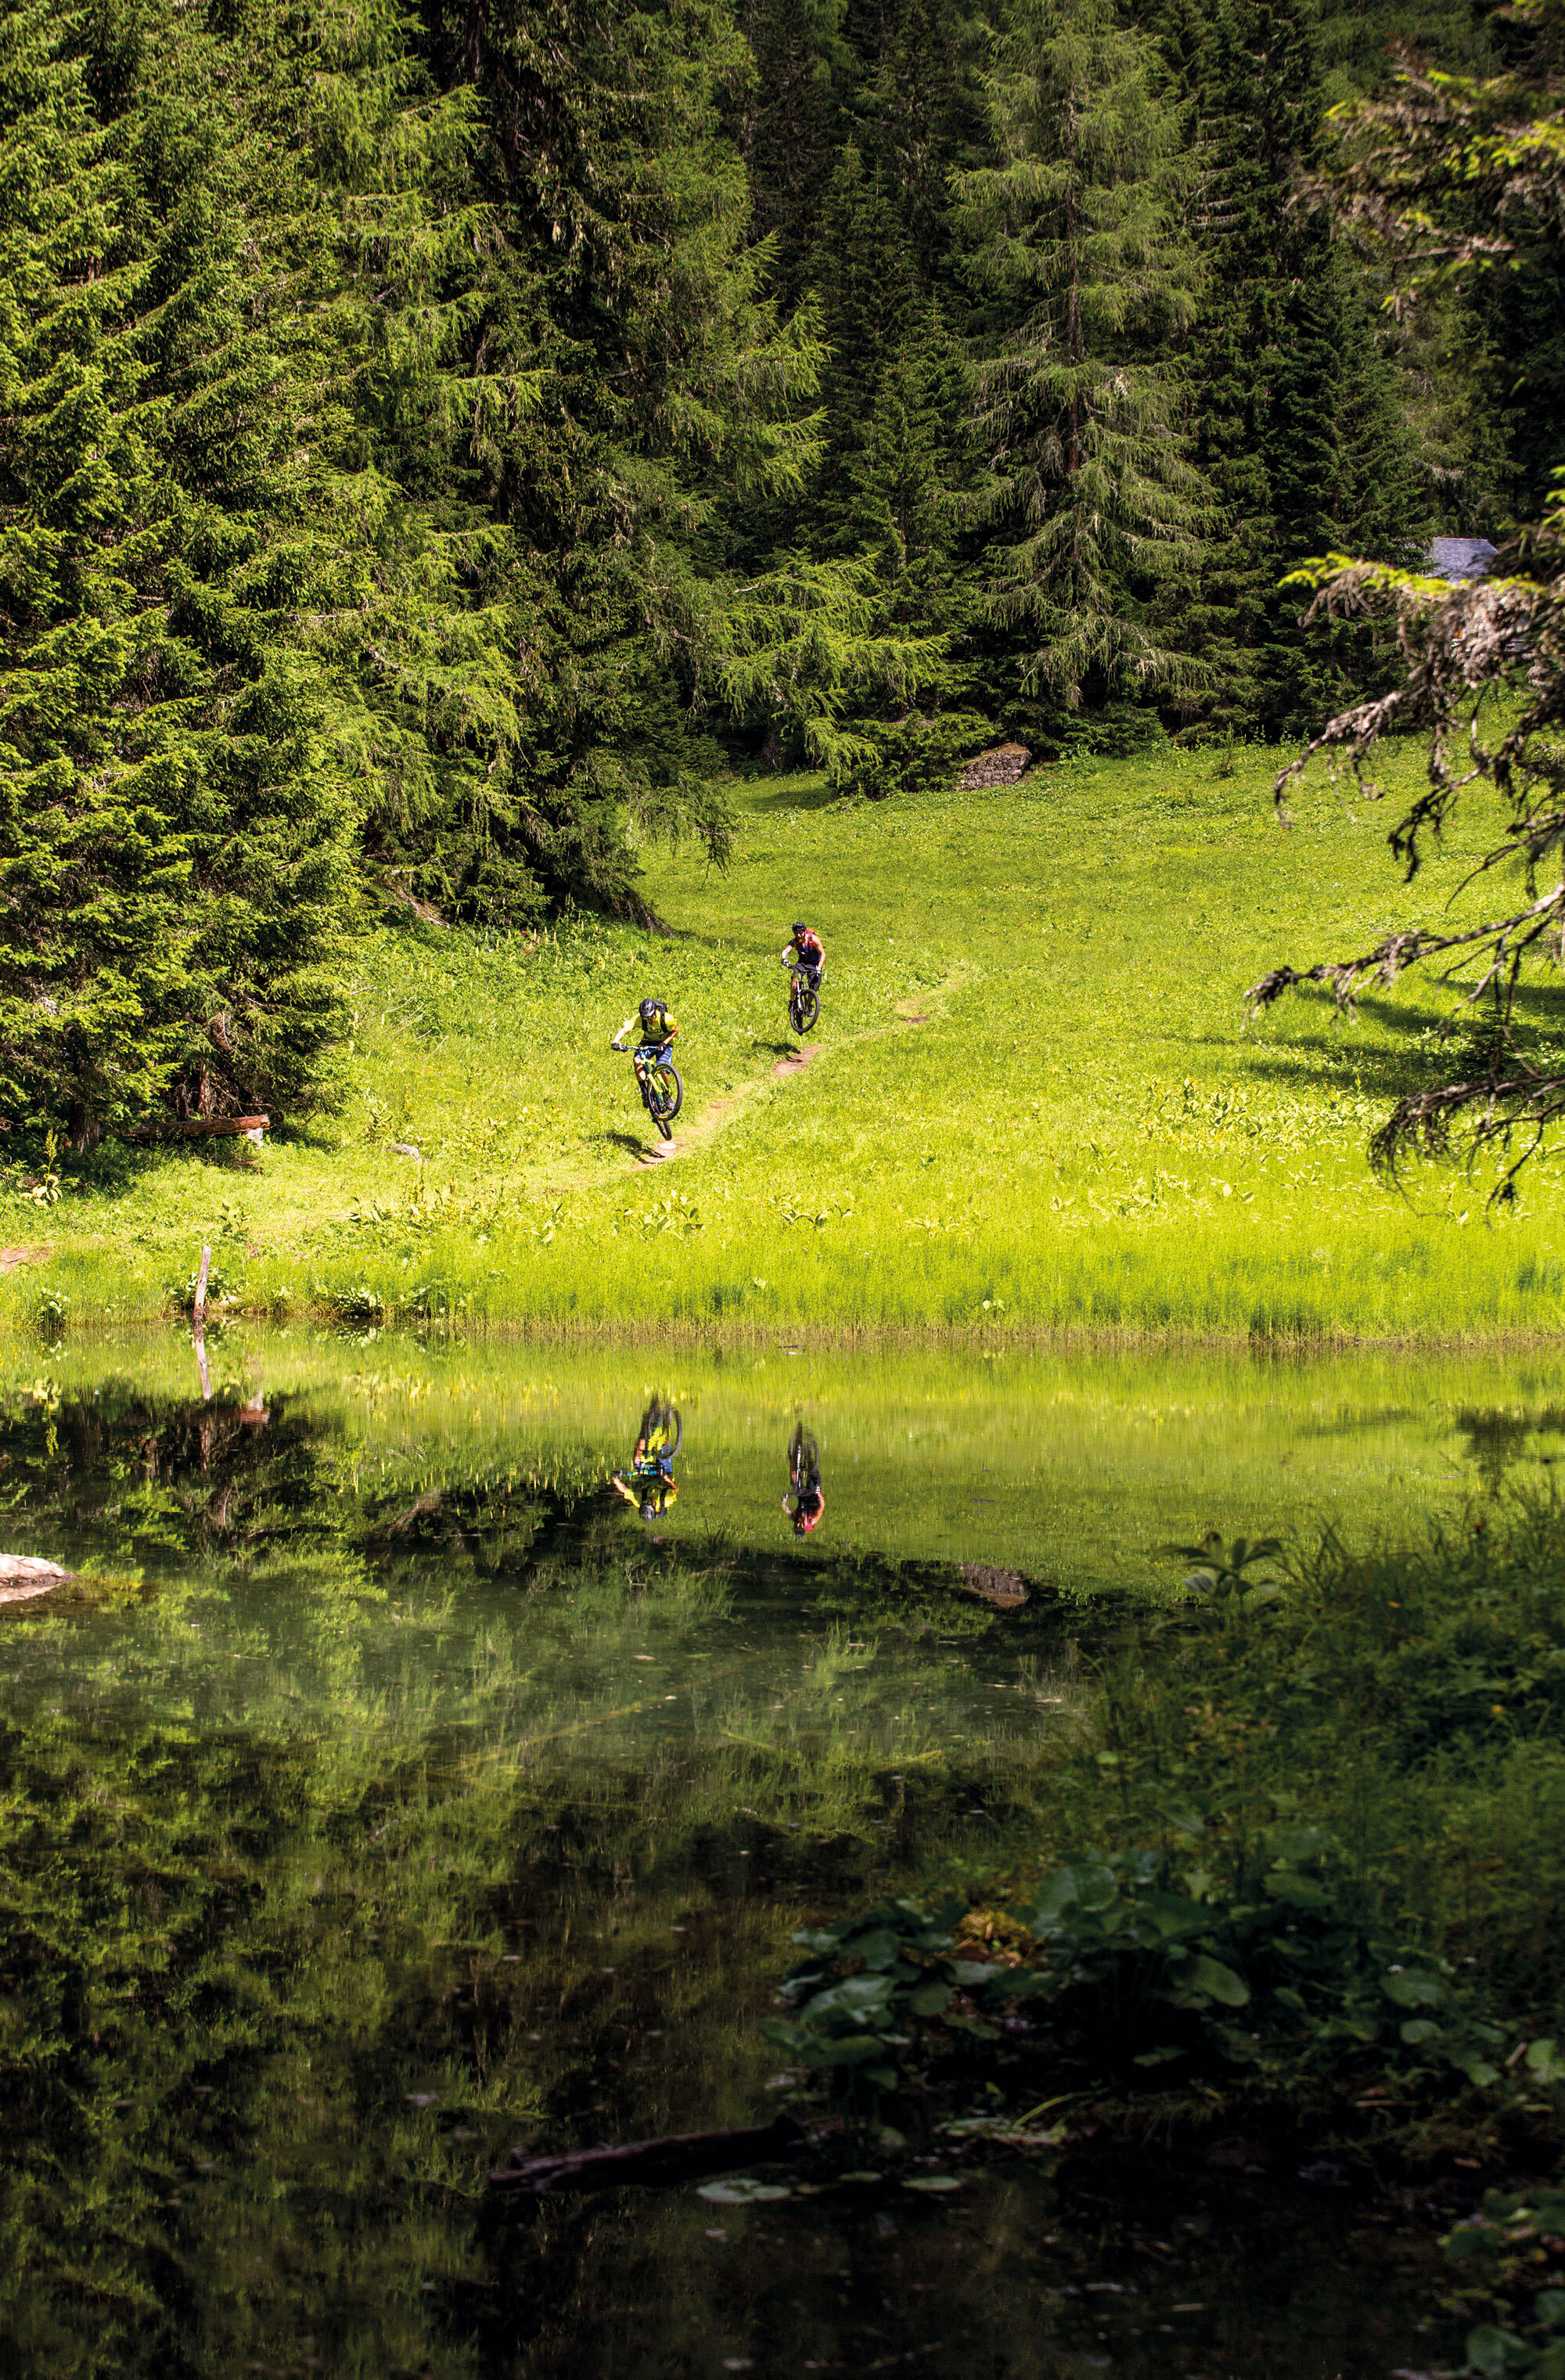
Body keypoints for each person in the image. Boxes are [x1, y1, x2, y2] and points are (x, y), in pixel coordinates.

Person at [612, 1398, 682, 1522]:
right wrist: (665, 1477)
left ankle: (646, 1426)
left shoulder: (639, 1501)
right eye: (649, 1502)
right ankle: (667, 1419)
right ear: (654, 1507)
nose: (648, 1499)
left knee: (638, 1455)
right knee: (663, 1446)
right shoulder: (665, 1501)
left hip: (646, 1473)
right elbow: (676, 1489)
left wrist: (615, 1478)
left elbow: (625, 1491)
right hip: (663, 1474)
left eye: (645, 1501)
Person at [610, 996, 678, 1075]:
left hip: (665, 1043)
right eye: (645, 1018)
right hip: (648, 1041)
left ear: (655, 1011)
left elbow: (676, 1030)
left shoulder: (666, 1019)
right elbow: (625, 1029)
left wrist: (664, 1043)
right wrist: (615, 1042)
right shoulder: (640, 1018)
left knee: (662, 1069)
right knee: (637, 1060)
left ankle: (666, 1087)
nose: (648, 1020)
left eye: (650, 1017)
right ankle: (643, 1087)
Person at [782, 1422, 825, 1536]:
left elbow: (787, 1510)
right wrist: (818, 1492)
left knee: (794, 1476)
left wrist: (784, 1501)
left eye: (796, 1527)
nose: (798, 1525)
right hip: (812, 1494)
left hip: (801, 1495)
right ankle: (810, 1452)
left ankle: (792, 1457)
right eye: (800, 1527)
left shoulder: (795, 1518)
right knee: (812, 1470)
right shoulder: (813, 1520)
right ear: (803, 1528)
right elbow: (822, 1507)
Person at [780, 922, 825, 996]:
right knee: (795, 981)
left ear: (804, 931)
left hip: (815, 964)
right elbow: (786, 950)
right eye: (796, 933)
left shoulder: (813, 940)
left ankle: (809, 1005)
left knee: (814, 988)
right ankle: (792, 1003)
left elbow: (823, 954)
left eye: (800, 933)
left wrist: (819, 968)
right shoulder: (795, 941)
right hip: (802, 963)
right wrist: (784, 959)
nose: (798, 935)